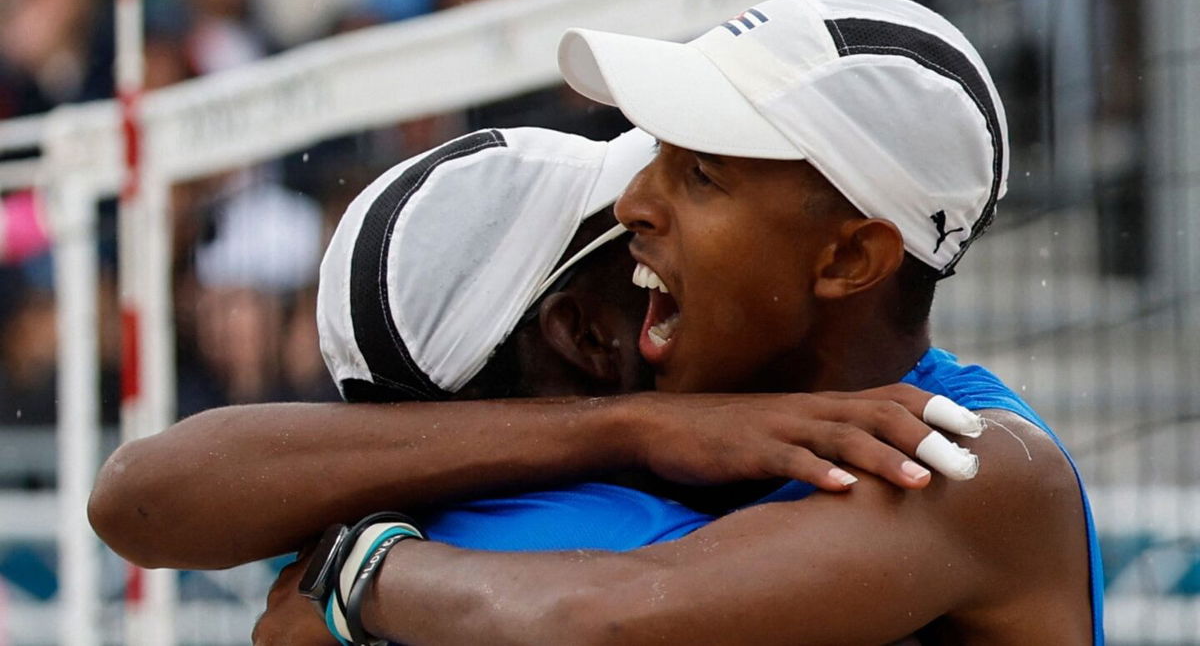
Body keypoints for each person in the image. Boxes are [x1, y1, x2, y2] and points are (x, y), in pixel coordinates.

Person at [258, 0, 1103, 646]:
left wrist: (354, 579)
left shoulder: (981, 468)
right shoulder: (694, 434)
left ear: (847, 260)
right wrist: (631, 424)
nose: (634, 201)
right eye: (654, 153)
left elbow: (600, 620)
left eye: (700, 174)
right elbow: (143, 491)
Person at [88, 127, 964, 570]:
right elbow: (136, 494)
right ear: (584, 335)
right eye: (630, 226)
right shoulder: (632, 545)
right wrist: (624, 427)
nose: (654, 218)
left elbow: (141, 497)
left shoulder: (395, 540)